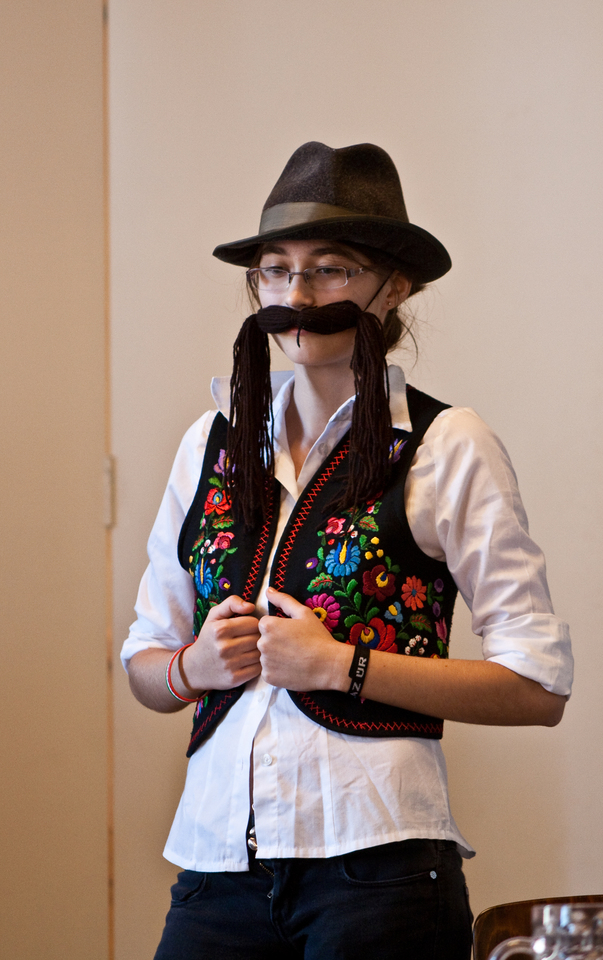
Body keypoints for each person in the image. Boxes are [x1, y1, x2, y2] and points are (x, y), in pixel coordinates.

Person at [121, 141, 574, 960]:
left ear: (393, 287)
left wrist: (343, 666)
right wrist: (194, 667)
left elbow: (538, 686)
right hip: (216, 869)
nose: (297, 296)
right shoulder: (210, 444)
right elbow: (144, 663)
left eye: (330, 269)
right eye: (275, 270)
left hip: (379, 869)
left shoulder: (446, 445)